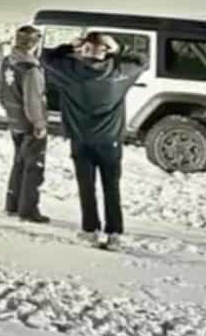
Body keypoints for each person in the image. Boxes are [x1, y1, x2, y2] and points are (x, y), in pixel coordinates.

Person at [41, 32, 148, 249]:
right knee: (111, 187)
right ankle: (114, 233)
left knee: (86, 186)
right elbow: (142, 61)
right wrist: (118, 49)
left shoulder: (69, 72)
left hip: (81, 140)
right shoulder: (118, 73)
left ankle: (90, 230)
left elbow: (45, 57)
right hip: (110, 141)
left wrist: (70, 47)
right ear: (105, 51)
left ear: (84, 50)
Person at [0, 24, 50, 224]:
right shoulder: (30, 69)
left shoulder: (8, 62)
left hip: (14, 120)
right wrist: (39, 123)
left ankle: (12, 203)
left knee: (18, 162)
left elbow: (0, 90)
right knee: (33, 167)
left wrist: (12, 112)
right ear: (35, 44)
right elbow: (33, 100)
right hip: (29, 124)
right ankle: (28, 209)